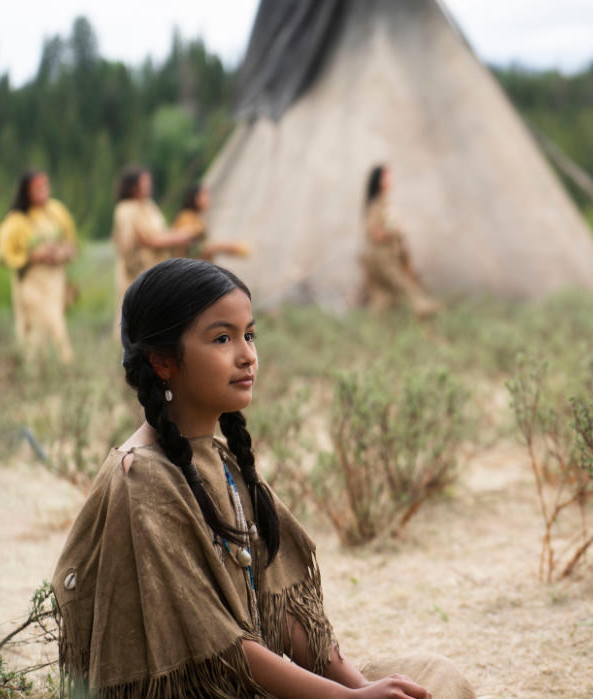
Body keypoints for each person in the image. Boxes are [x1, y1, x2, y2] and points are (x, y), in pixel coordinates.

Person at [51, 258, 475, 698]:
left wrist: (360, 687)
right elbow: (220, 647)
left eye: (249, 335)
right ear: (162, 361)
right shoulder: (142, 478)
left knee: (432, 675)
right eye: (222, 338)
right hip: (204, 689)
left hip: (244, 686)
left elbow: (283, 606)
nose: (247, 355)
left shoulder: (220, 461)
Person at [0, 170, 77, 363]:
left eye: (45, 186)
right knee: (46, 323)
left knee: (53, 321)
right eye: (38, 188)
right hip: (31, 283)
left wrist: (63, 253)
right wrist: (34, 255)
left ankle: (40, 368)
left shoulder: (56, 211)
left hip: (55, 280)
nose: (44, 192)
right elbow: (3, 255)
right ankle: (62, 363)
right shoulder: (15, 220)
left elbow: (71, 242)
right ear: (26, 192)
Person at [110, 167, 196, 326]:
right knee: (135, 309)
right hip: (135, 268)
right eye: (144, 182)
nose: (148, 185)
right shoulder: (125, 209)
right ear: (133, 186)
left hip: (155, 265)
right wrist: (176, 238)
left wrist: (179, 234)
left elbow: (160, 232)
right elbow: (145, 239)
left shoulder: (149, 206)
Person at [361, 165, 441, 318]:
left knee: (386, 298)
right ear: (379, 181)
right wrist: (395, 232)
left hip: (393, 255)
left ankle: (375, 327)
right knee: (404, 285)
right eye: (387, 177)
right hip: (382, 257)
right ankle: (423, 308)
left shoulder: (386, 204)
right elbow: (374, 233)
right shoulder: (377, 206)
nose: (390, 180)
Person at [171, 183, 252, 260]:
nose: (208, 198)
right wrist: (226, 247)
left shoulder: (197, 217)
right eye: (204, 194)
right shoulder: (186, 217)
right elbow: (192, 249)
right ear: (194, 197)